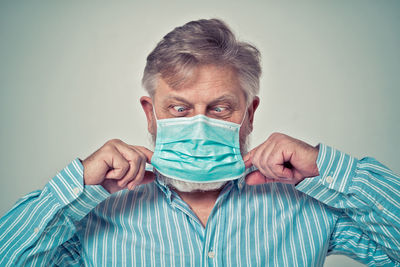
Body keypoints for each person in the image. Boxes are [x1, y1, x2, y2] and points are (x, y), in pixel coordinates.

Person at [0, 18, 399, 267]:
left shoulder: (308, 206)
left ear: (250, 113)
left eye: (220, 108)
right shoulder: (92, 215)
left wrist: (327, 169)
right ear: (149, 112)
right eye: (179, 108)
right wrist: (76, 187)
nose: (199, 126)